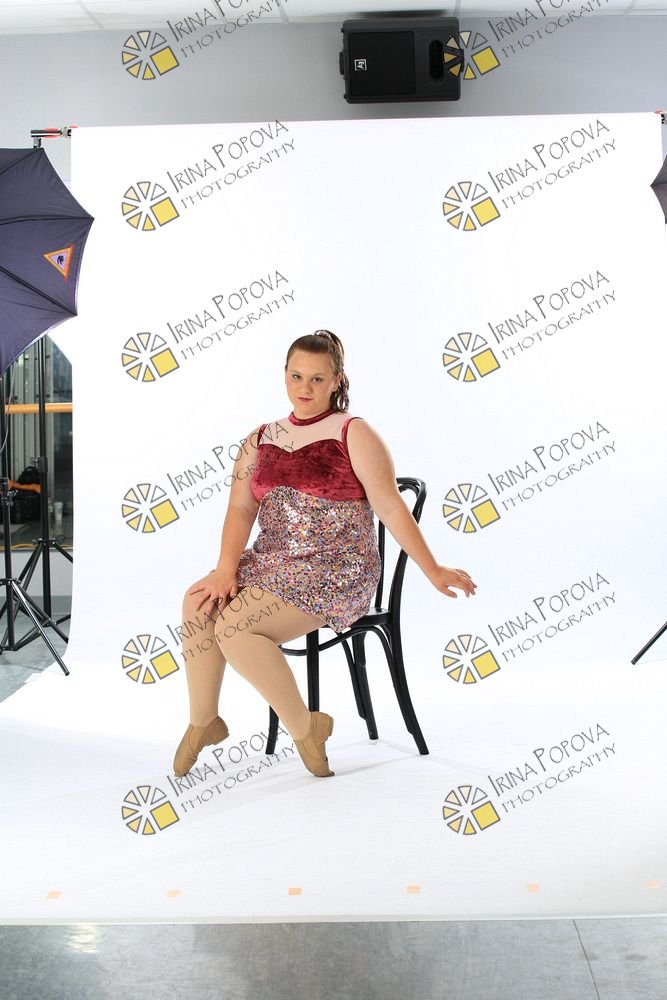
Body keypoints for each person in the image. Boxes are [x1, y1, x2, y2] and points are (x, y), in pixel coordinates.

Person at [173, 330, 477, 779]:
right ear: (284, 375)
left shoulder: (353, 432)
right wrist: (224, 569)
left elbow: (390, 506)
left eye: (317, 379)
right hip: (274, 561)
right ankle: (205, 722)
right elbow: (241, 509)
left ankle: (305, 728)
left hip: (337, 569)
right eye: (296, 376)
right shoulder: (260, 438)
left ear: (336, 380)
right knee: (198, 602)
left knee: (236, 627)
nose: (305, 388)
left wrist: (432, 569)